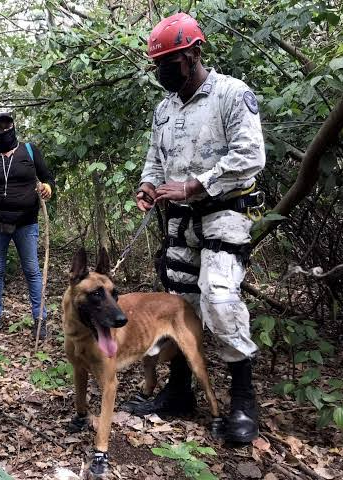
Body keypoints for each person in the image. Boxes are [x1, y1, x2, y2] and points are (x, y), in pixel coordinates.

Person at [125, 13, 266, 444]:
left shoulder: (231, 94)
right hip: (179, 223)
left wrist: (195, 184)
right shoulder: (164, 109)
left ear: (191, 56)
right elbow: (155, 157)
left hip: (225, 212)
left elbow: (251, 156)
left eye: (167, 61)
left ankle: (243, 399)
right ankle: (179, 392)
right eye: (157, 63)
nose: (161, 71)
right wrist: (148, 185)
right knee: (179, 305)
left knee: (219, 299)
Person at [0, 113, 54, 338]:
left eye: (8, 125)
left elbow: (48, 176)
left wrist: (48, 187)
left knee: (31, 270)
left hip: (26, 223)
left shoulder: (29, 151)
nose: (5, 130)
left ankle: (40, 319)